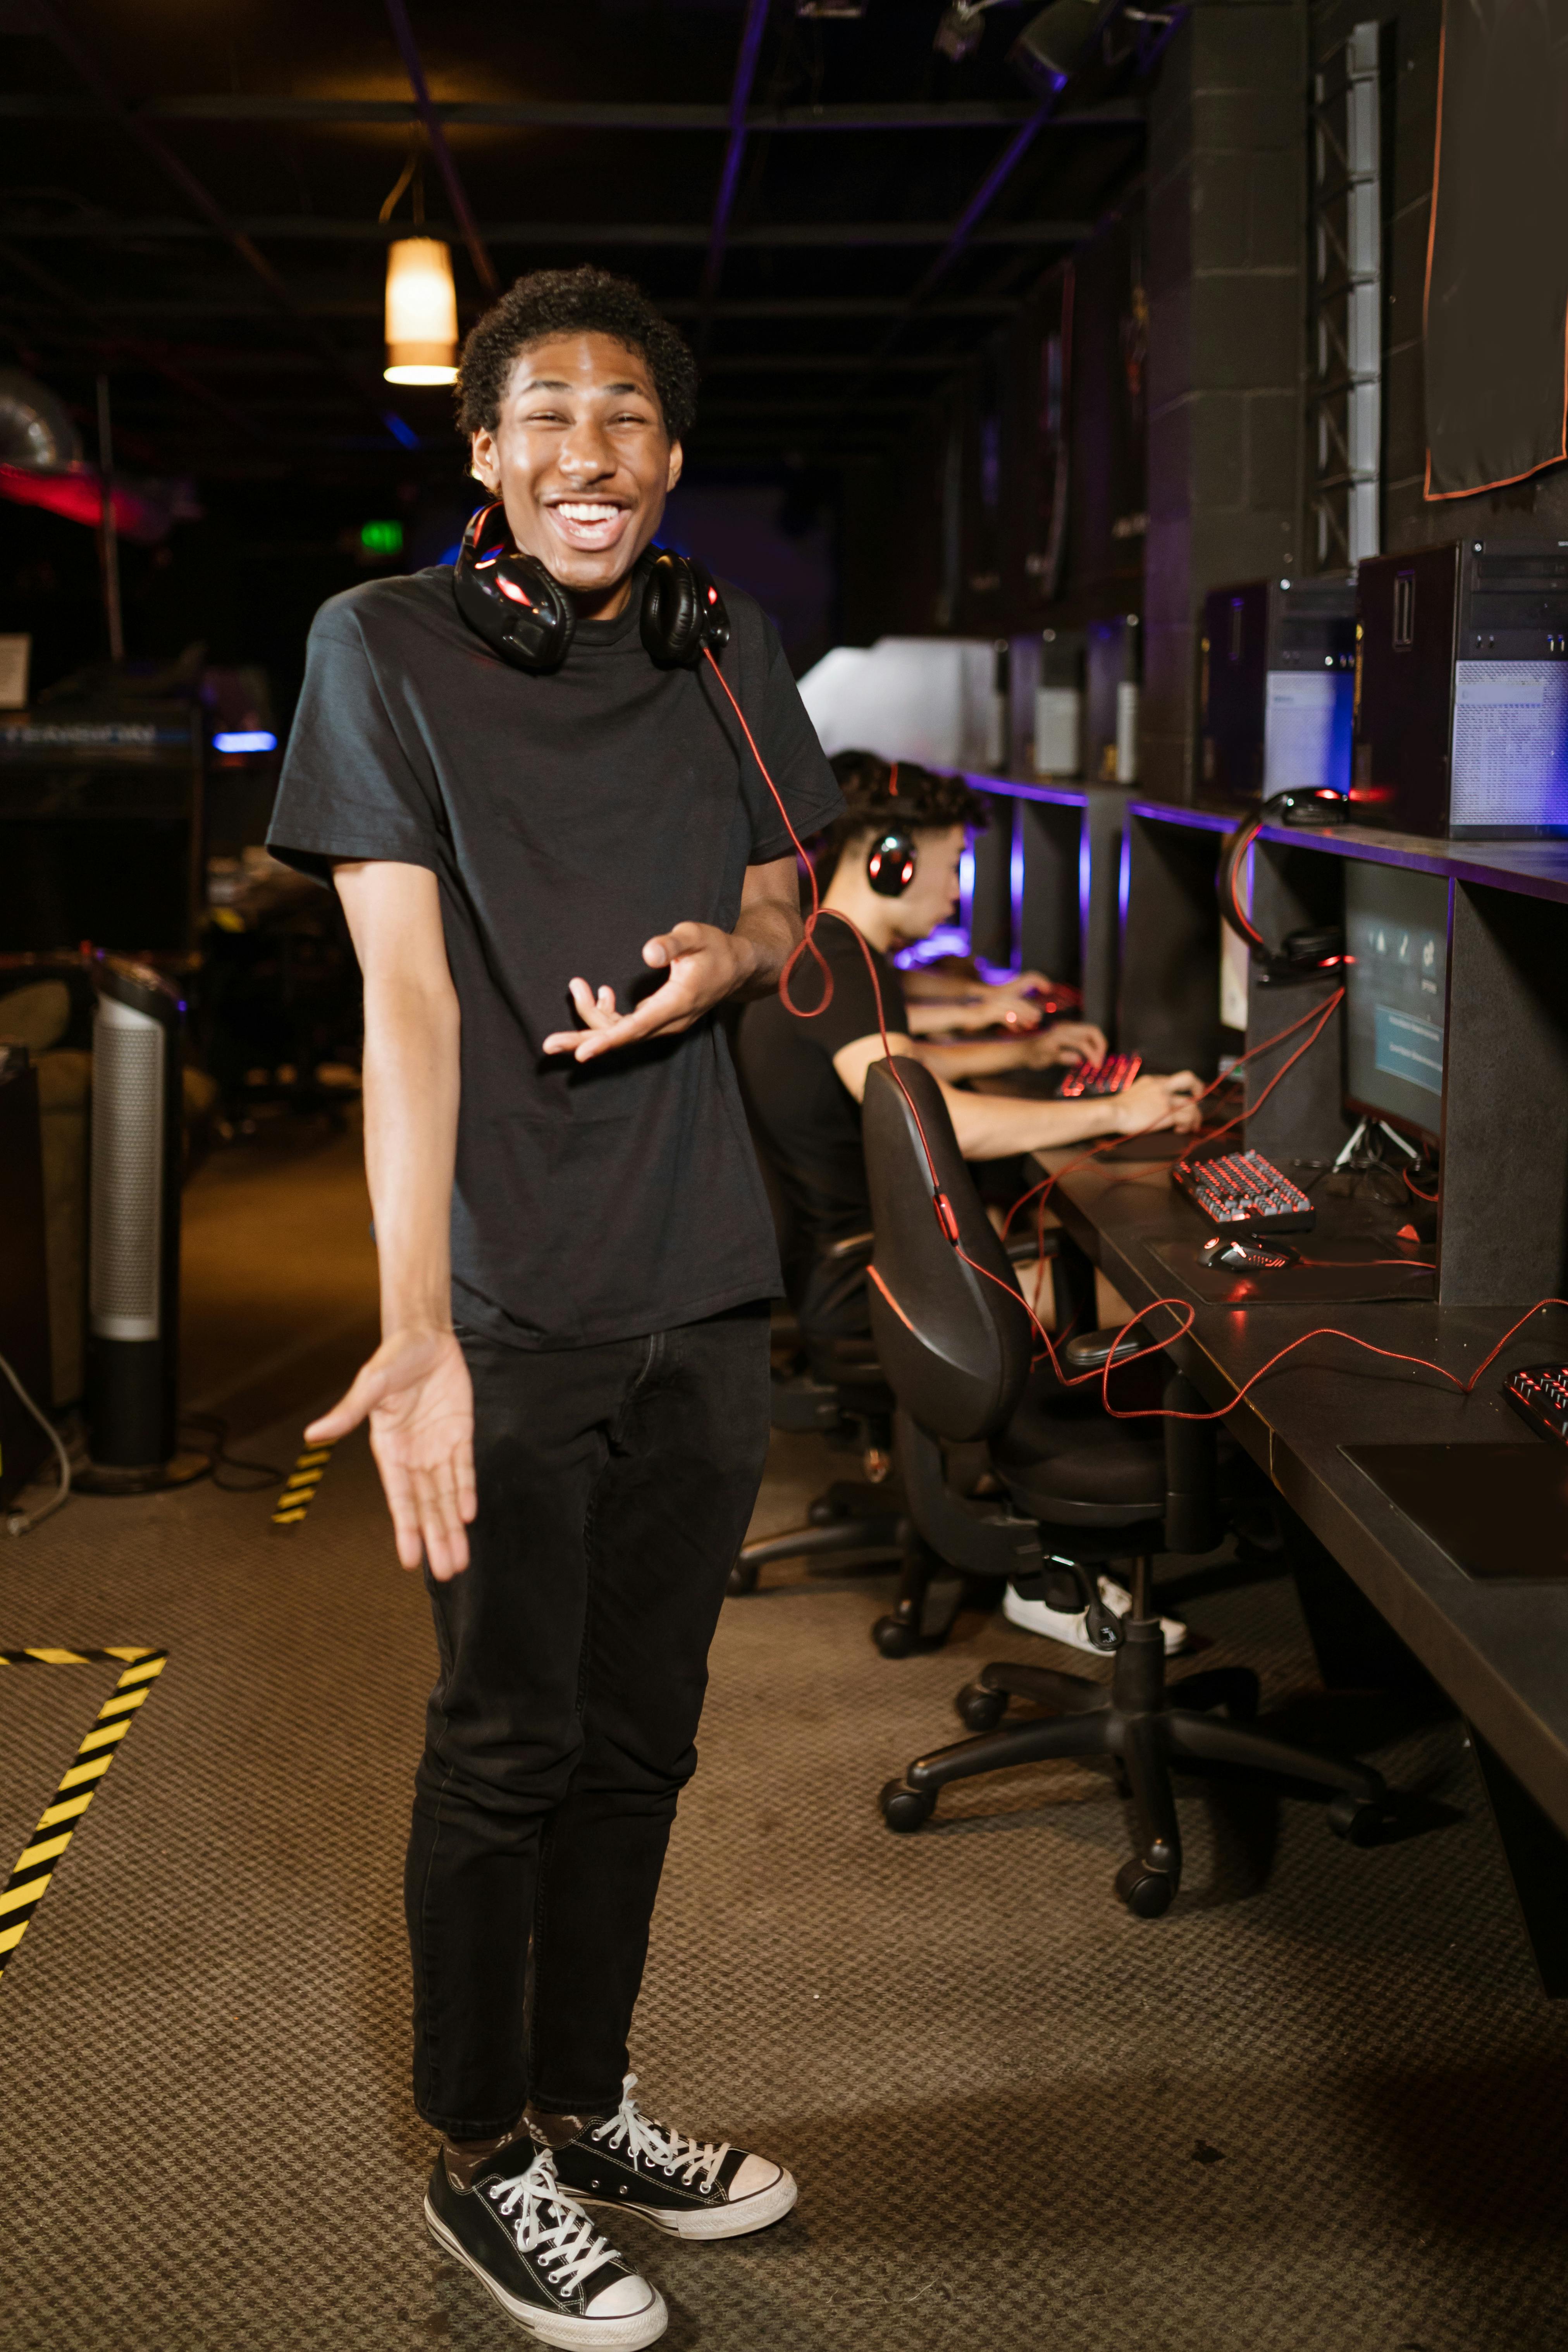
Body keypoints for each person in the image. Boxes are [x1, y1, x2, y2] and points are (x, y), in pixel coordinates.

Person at [267, 266, 841, 2350]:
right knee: (504, 1737)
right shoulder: (381, 648)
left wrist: (732, 948)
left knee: (647, 1738)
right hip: (513, 1293)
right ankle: (477, 2149)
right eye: (549, 417)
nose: (590, 453)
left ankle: (586, 2104)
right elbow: (403, 997)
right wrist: (416, 1320)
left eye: (629, 421)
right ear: (488, 458)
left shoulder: (723, 645)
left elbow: (796, 881)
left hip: (707, 1277)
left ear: (668, 468)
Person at [735, 750, 1199, 1655]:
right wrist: (1114, 1107)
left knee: (1067, 1253)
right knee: (1154, 1301)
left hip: (858, 1264)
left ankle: (1029, 1520)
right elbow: (928, 1116)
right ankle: (1048, 1561)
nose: (953, 896)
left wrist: (1020, 1054)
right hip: (879, 1287)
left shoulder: (825, 954)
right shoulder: (837, 964)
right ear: (891, 860)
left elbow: (899, 1068)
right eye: (950, 869)